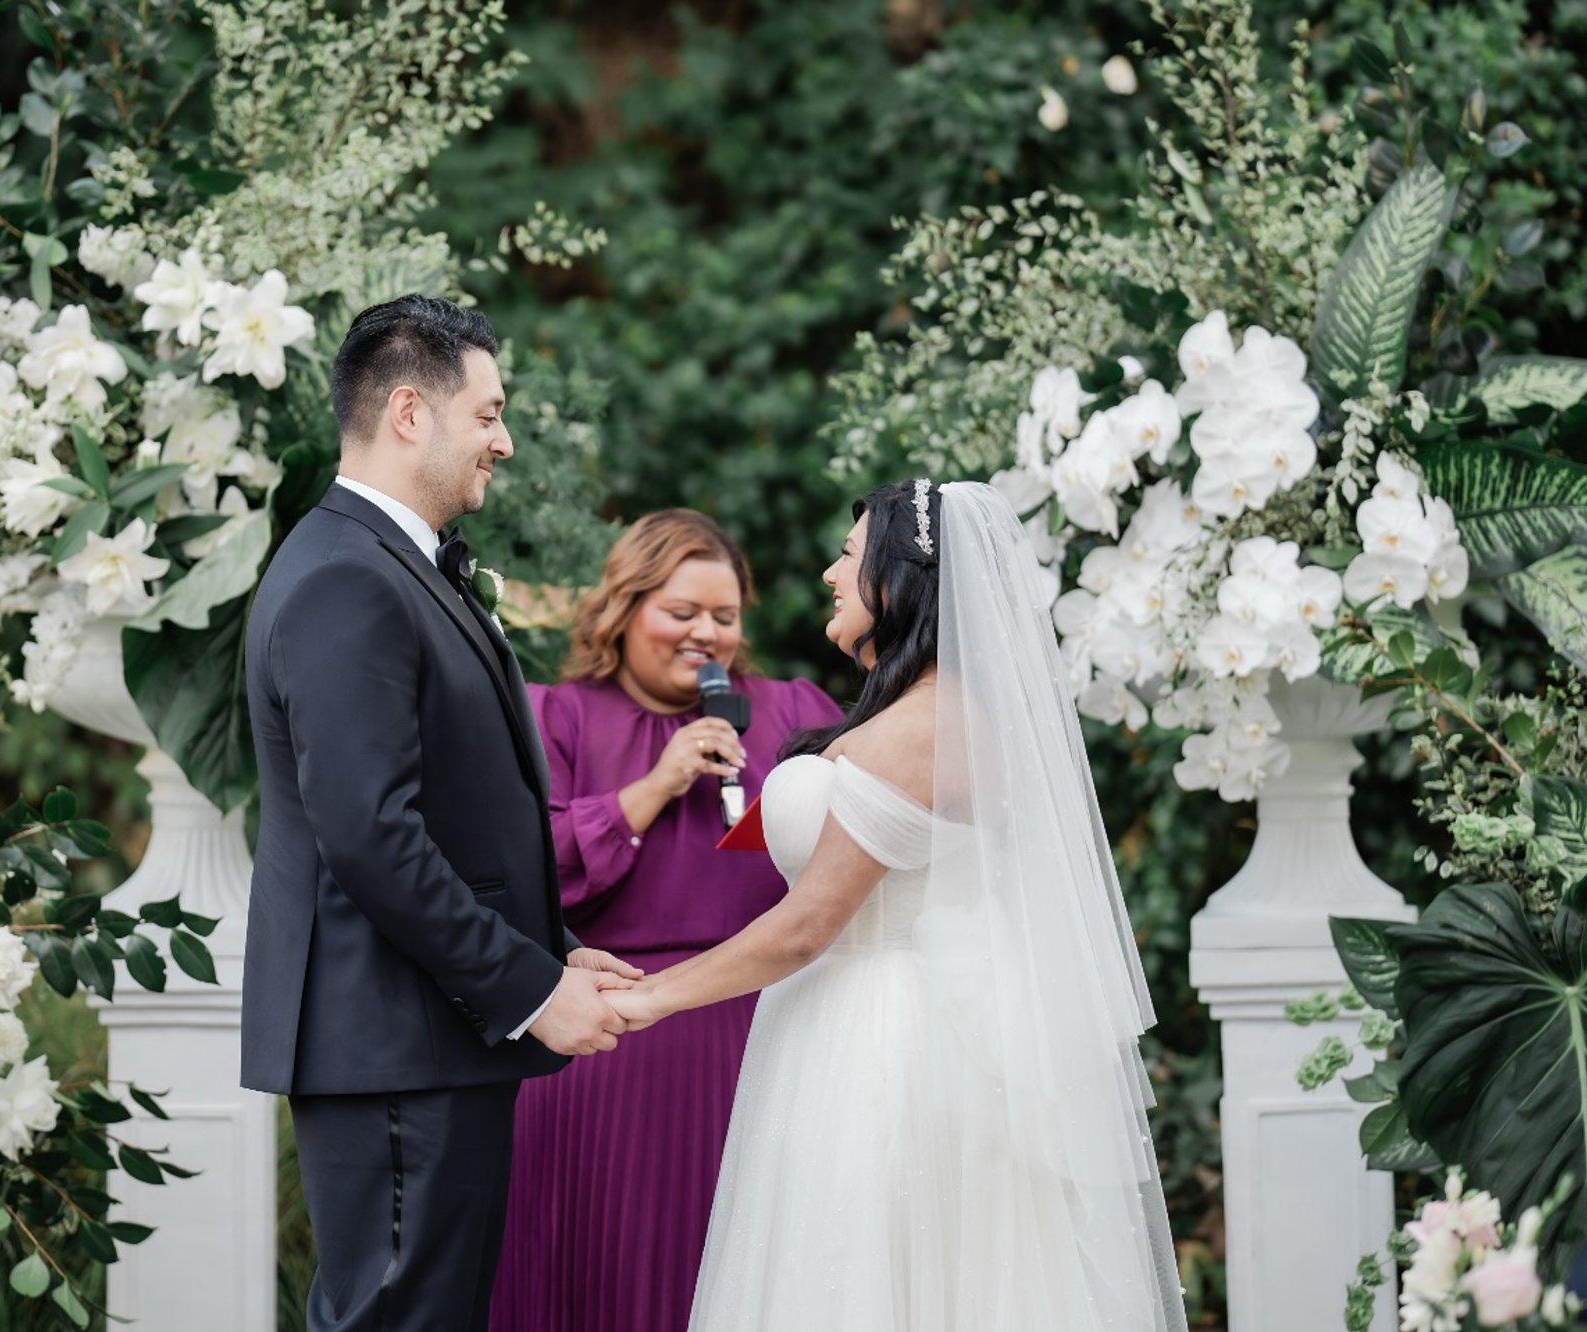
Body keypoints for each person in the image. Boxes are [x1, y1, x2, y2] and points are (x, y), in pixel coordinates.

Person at [607, 479, 1188, 1331]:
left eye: (849, 558)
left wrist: (645, 999)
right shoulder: (918, 712)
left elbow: (809, 926)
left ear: (899, 581)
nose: (830, 575)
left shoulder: (927, 725)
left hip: (882, 1044)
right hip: (854, 1021)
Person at [240, 294, 640, 1332]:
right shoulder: (344, 580)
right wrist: (524, 988)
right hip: (392, 1045)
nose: (503, 442)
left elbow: (456, 809)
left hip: (416, 1040)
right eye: (490, 413)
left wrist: (550, 948)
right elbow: (371, 834)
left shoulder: (386, 566)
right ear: (411, 413)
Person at [488, 511, 843, 1332]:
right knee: (600, 1275)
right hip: (601, 1050)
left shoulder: (793, 710)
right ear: (625, 606)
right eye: (681, 612)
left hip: (761, 1042)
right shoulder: (555, 717)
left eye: (724, 616)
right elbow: (521, 875)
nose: (705, 634)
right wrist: (653, 786)